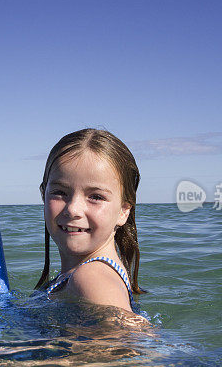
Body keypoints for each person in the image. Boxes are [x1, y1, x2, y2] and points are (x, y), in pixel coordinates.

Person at [34, 128, 148, 319]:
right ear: (43, 195)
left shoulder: (91, 278)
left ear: (123, 211)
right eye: (60, 192)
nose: (73, 209)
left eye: (95, 196)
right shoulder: (83, 275)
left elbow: (130, 344)